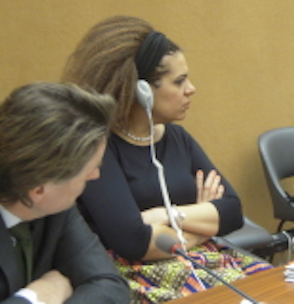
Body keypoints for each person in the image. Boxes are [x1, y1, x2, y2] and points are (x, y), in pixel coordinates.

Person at [61, 15, 272, 303]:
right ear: (142, 90)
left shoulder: (178, 138)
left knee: (279, 289)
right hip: (141, 275)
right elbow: (134, 241)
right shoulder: (100, 147)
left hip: (204, 259)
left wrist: (166, 215)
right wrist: (200, 218)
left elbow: (232, 211)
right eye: (180, 81)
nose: (191, 89)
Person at [0, 82, 129, 303]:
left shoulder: (56, 208)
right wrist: (34, 298)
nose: (96, 175)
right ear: (39, 190)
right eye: (88, 171)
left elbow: (110, 285)